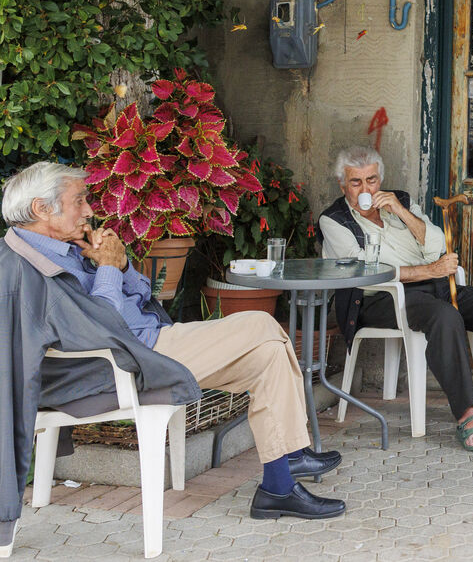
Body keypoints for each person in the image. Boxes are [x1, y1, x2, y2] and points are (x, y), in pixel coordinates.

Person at [0, 162, 345, 531]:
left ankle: (278, 485)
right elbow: (102, 329)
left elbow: (144, 295)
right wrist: (107, 270)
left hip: (151, 342)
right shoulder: (27, 266)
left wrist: (118, 263)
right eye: (79, 201)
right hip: (133, 357)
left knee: (268, 353)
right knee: (262, 325)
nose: (89, 210)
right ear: (41, 209)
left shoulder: (65, 248)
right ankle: (289, 456)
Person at [319, 147, 473, 452]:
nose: (366, 189)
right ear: (342, 185)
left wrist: (401, 212)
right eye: (356, 182)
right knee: (445, 316)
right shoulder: (333, 220)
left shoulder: (400, 201)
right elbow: (365, 270)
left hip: (434, 287)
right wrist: (429, 269)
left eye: (372, 180)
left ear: (380, 179)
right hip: (380, 299)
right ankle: (467, 413)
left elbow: (437, 244)